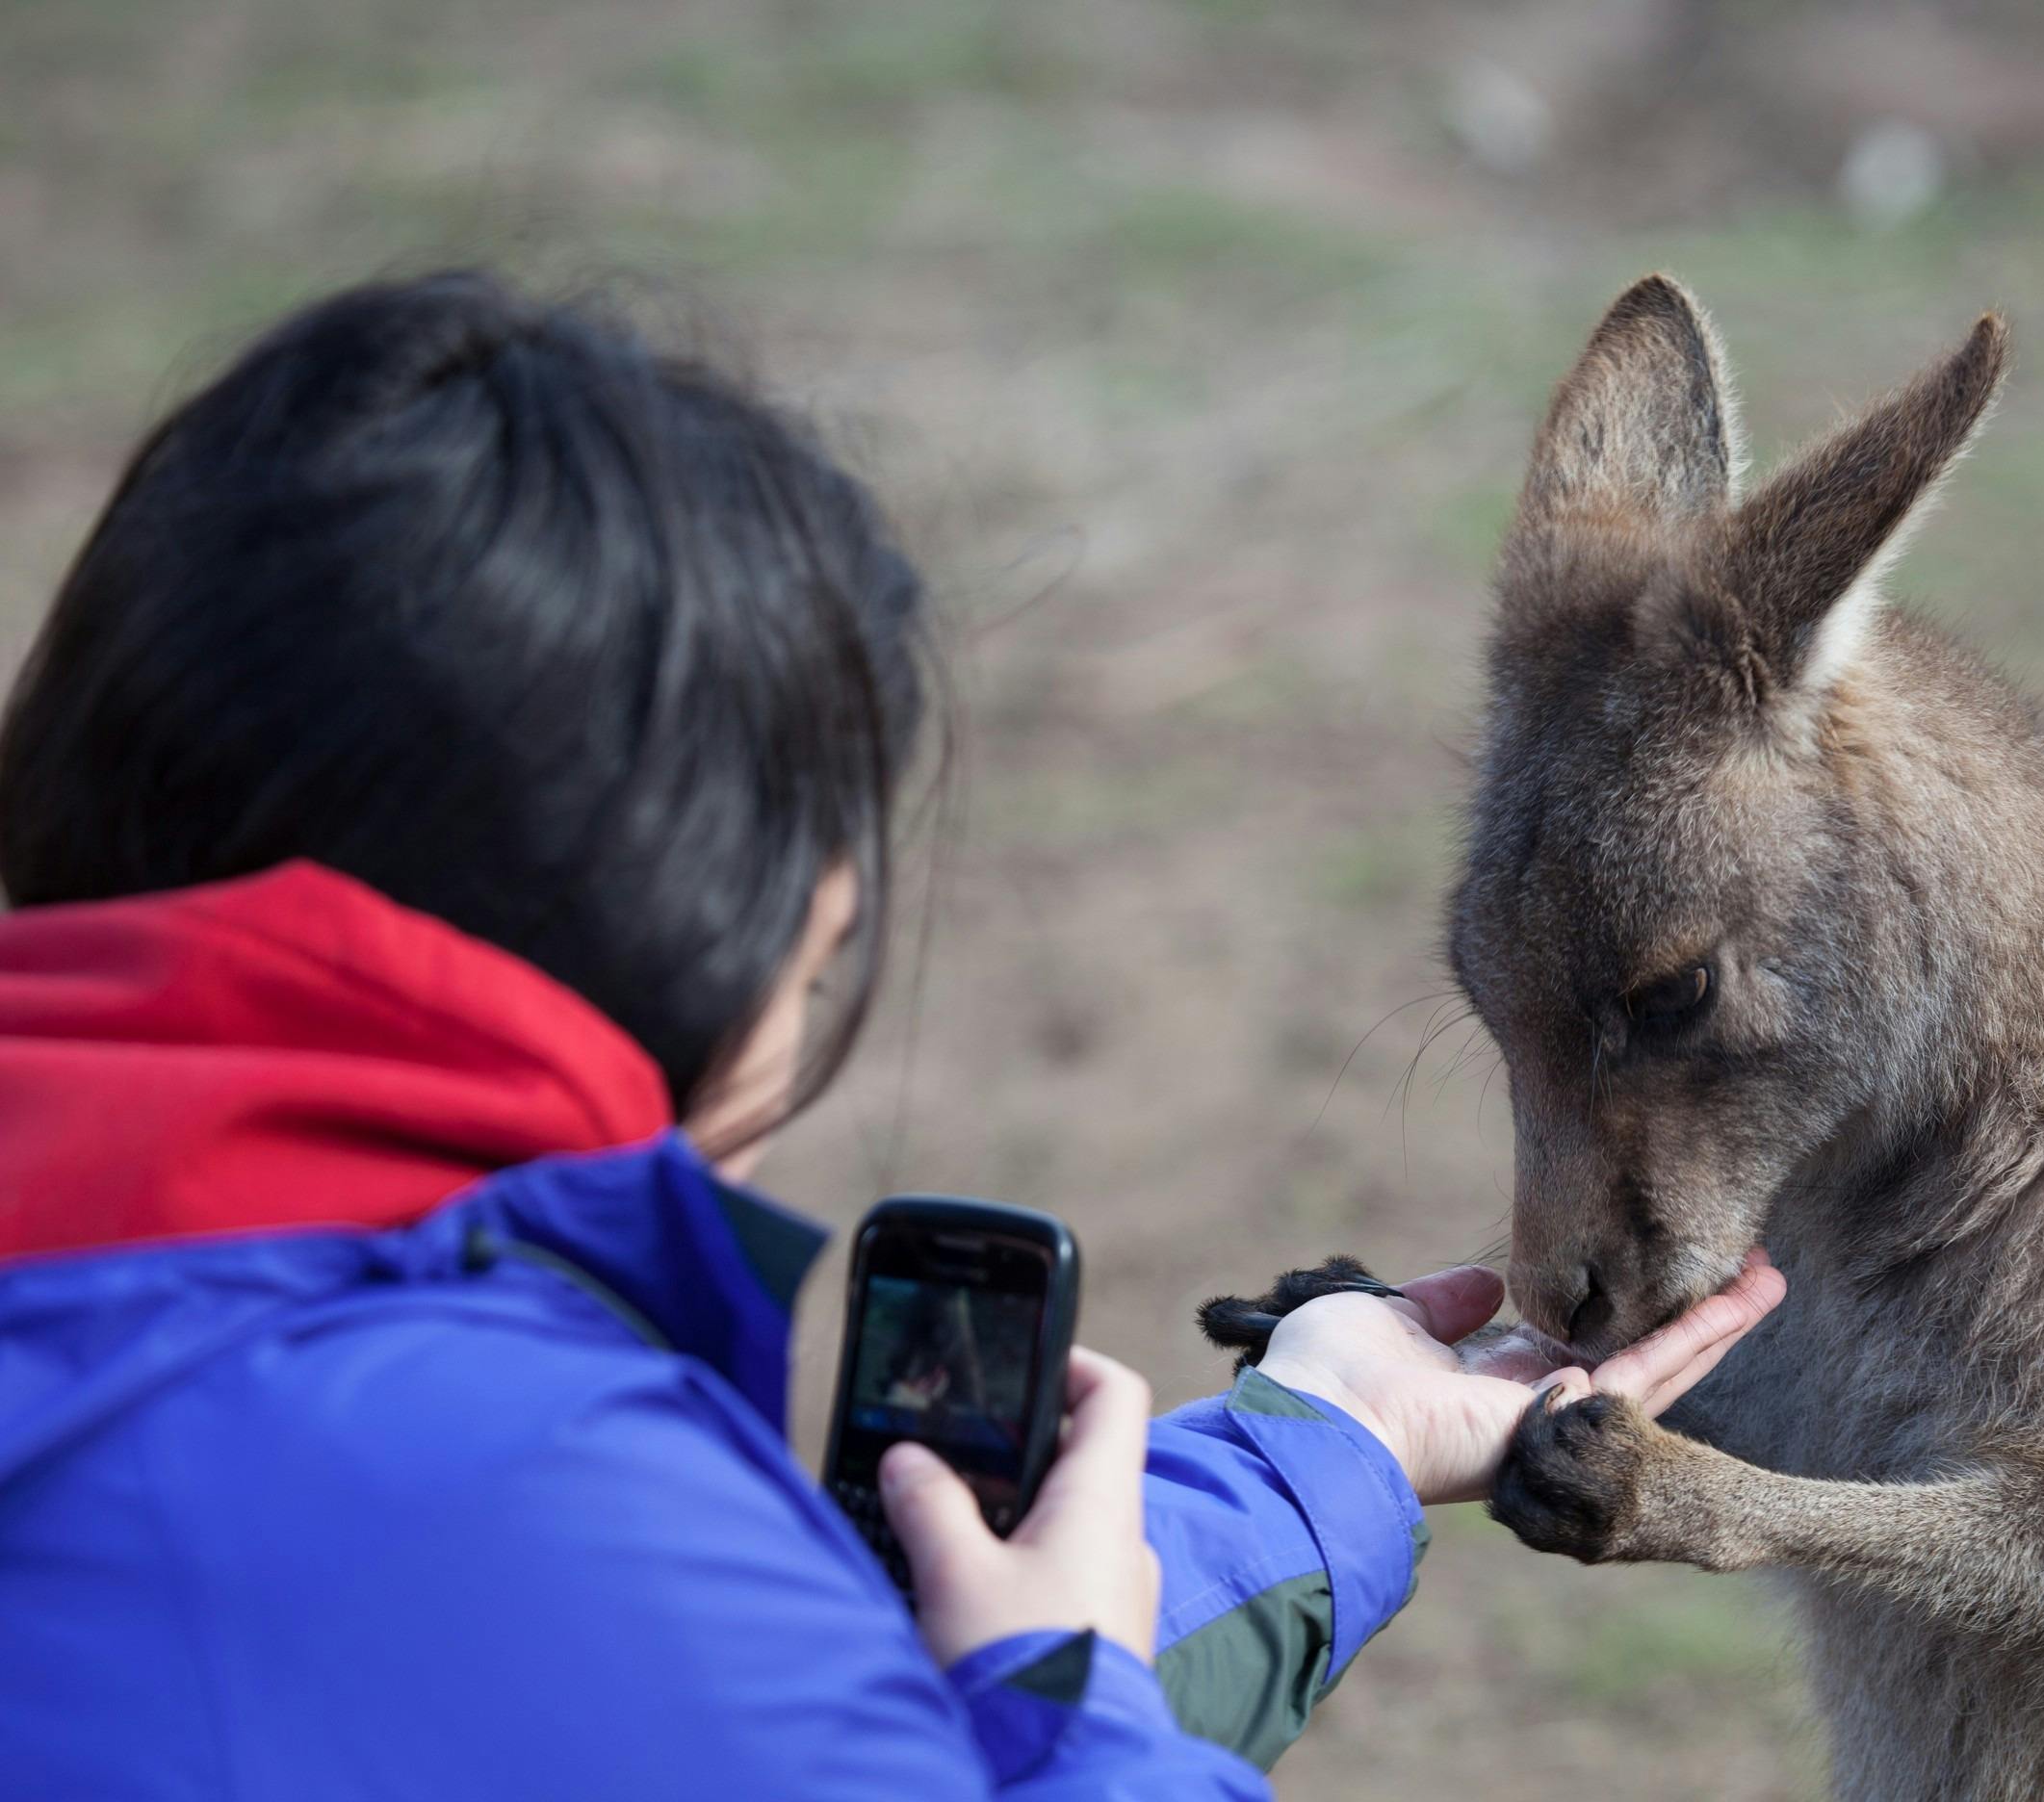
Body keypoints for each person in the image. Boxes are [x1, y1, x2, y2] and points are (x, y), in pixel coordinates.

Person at [0, 272, 1786, 1799]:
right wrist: (1071, 1716)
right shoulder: (540, 1532)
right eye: (829, 937)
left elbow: (803, 1688)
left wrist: (1331, 1447)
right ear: (700, 935)